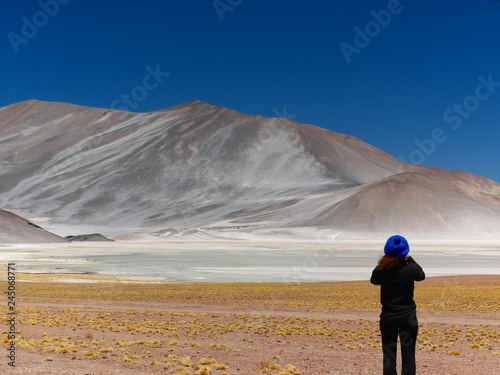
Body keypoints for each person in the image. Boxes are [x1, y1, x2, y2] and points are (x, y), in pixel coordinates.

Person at [370, 235, 425, 375]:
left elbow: (374, 280)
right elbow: (421, 275)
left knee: (389, 355)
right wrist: (409, 257)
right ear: (405, 251)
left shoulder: (381, 270)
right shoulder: (410, 269)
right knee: (408, 355)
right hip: (408, 317)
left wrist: (385, 259)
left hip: (388, 317)